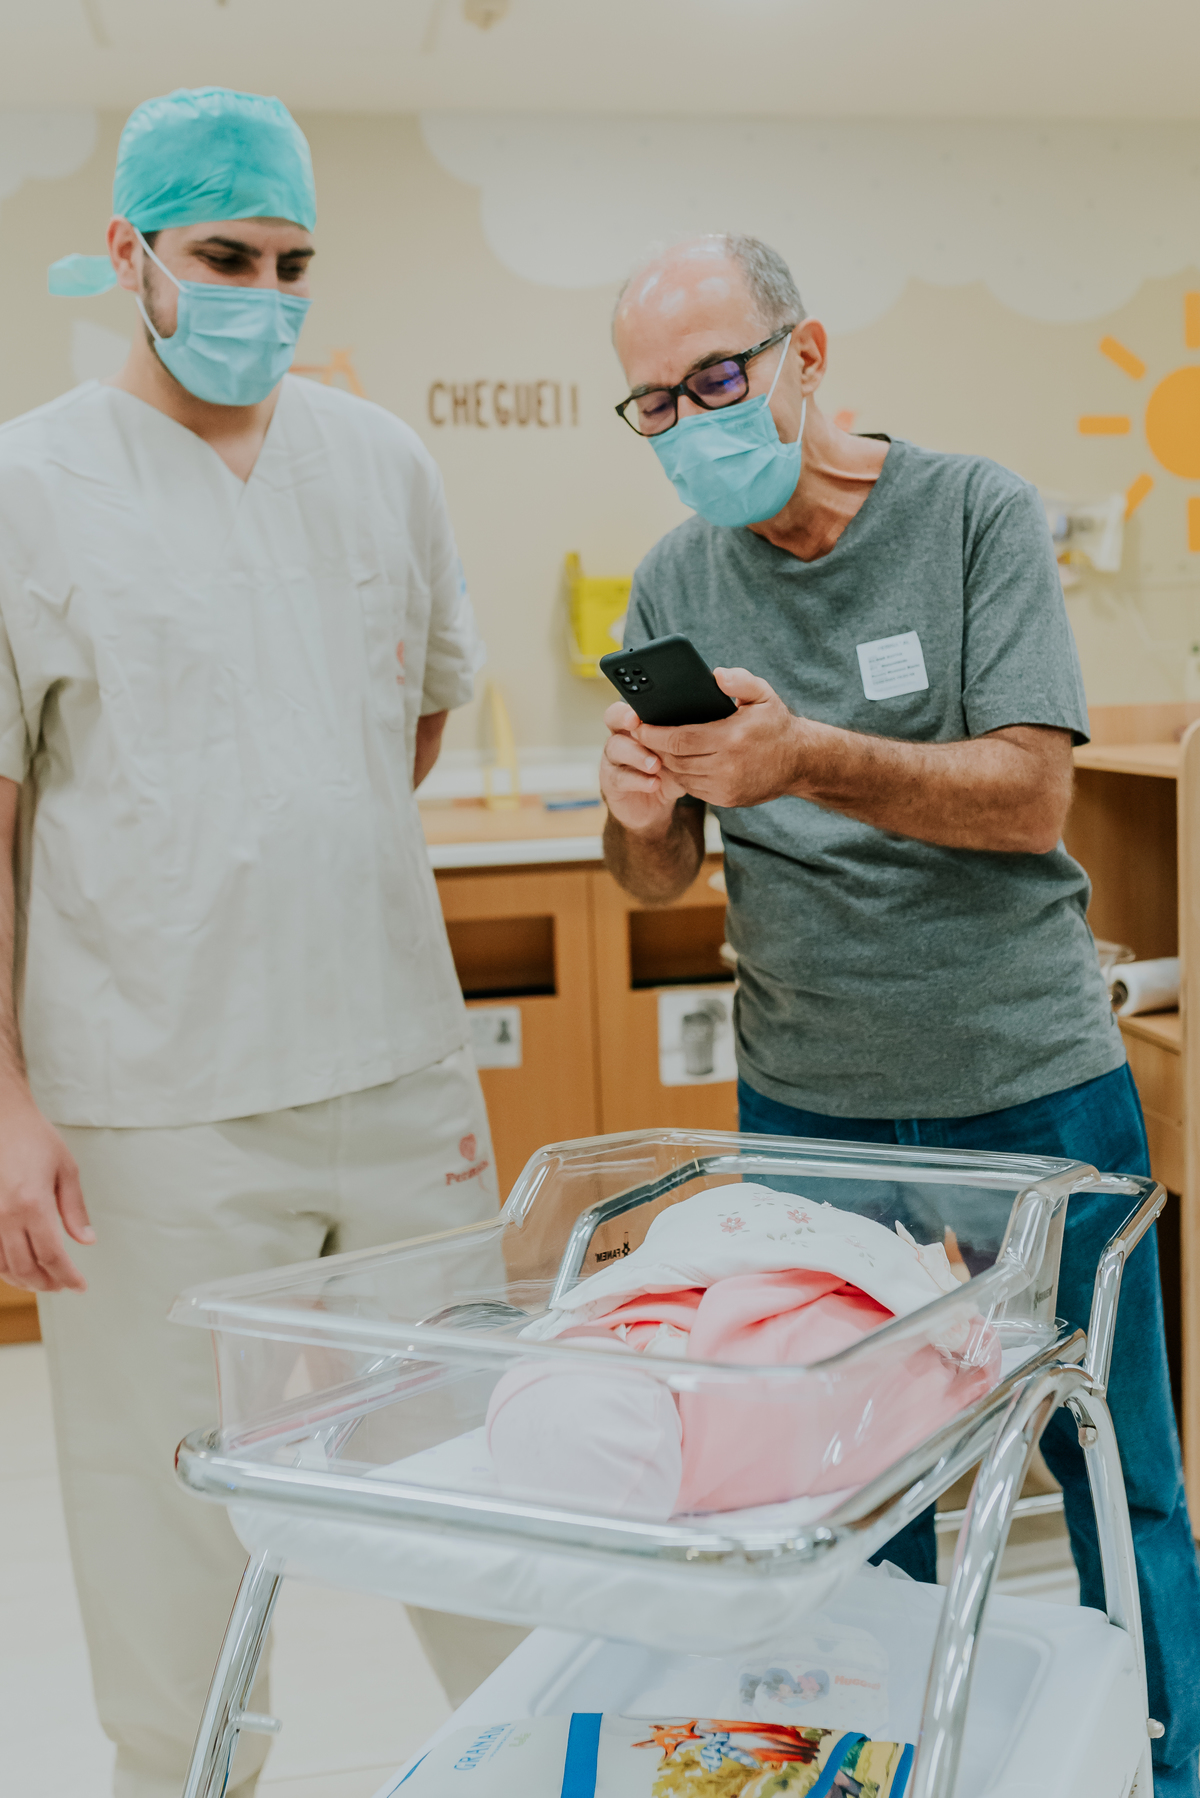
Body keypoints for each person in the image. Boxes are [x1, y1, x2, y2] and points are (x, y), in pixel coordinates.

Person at [601, 233, 1200, 1796]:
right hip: (811, 1104)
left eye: (717, 377)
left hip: (1029, 1079)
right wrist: (640, 814)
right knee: (849, 1486)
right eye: (653, 403)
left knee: (1113, 1465)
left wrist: (806, 756)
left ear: (807, 357)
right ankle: (890, 1764)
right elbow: (657, 879)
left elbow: (1028, 794)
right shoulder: (677, 575)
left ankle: (1169, 1760)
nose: (690, 420)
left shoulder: (971, 515)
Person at [0, 87, 522, 1798]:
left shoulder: (380, 461)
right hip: (152, 1095)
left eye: (295, 264)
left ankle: (524, 1755)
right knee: (166, 1506)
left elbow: (413, 724)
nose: (263, 295)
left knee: (484, 1469)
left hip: (394, 1059)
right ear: (130, 254)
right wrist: (6, 1097)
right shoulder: (29, 482)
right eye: (226, 257)